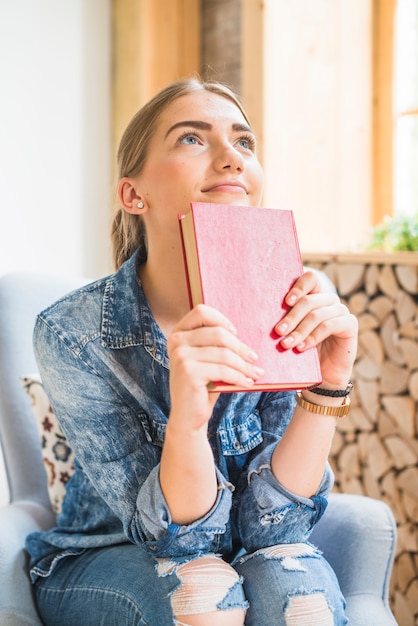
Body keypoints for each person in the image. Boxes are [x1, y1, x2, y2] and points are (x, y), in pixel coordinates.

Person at [26, 77, 357, 626]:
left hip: (240, 553)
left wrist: (328, 380)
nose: (232, 158)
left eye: (244, 142)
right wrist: (188, 419)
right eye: (192, 139)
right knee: (202, 591)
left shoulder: (285, 303)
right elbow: (178, 540)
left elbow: (274, 529)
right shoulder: (71, 331)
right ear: (134, 194)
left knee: (301, 593)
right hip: (106, 555)